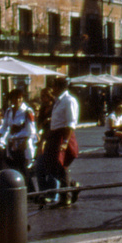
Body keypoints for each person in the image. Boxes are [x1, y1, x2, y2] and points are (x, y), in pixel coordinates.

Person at [37, 76, 80, 207]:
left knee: (60, 165)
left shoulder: (69, 100)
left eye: (54, 86)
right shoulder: (57, 101)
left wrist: (65, 141)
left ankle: (65, 198)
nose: (52, 89)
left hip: (62, 135)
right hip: (53, 135)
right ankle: (72, 186)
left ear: (60, 87)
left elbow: (71, 123)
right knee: (50, 165)